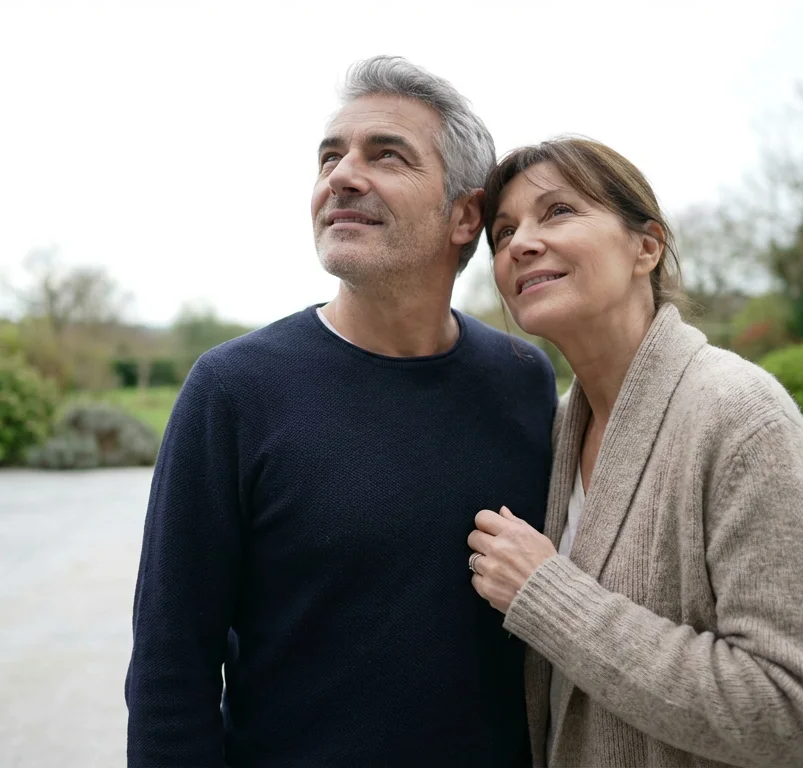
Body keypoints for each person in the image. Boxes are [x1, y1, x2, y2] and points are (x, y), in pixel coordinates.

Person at [124, 56, 557, 767]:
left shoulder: (521, 381)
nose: (341, 176)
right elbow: (173, 664)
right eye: (331, 155)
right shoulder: (233, 390)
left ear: (465, 215)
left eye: (386, 155)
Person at [465, 137, 803, 768]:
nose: (520, 243)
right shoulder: (554, 431)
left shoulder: (740, 417)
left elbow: (802, 718)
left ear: (646, 247)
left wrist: (546, 595)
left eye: (559, 212)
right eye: (503, 232)